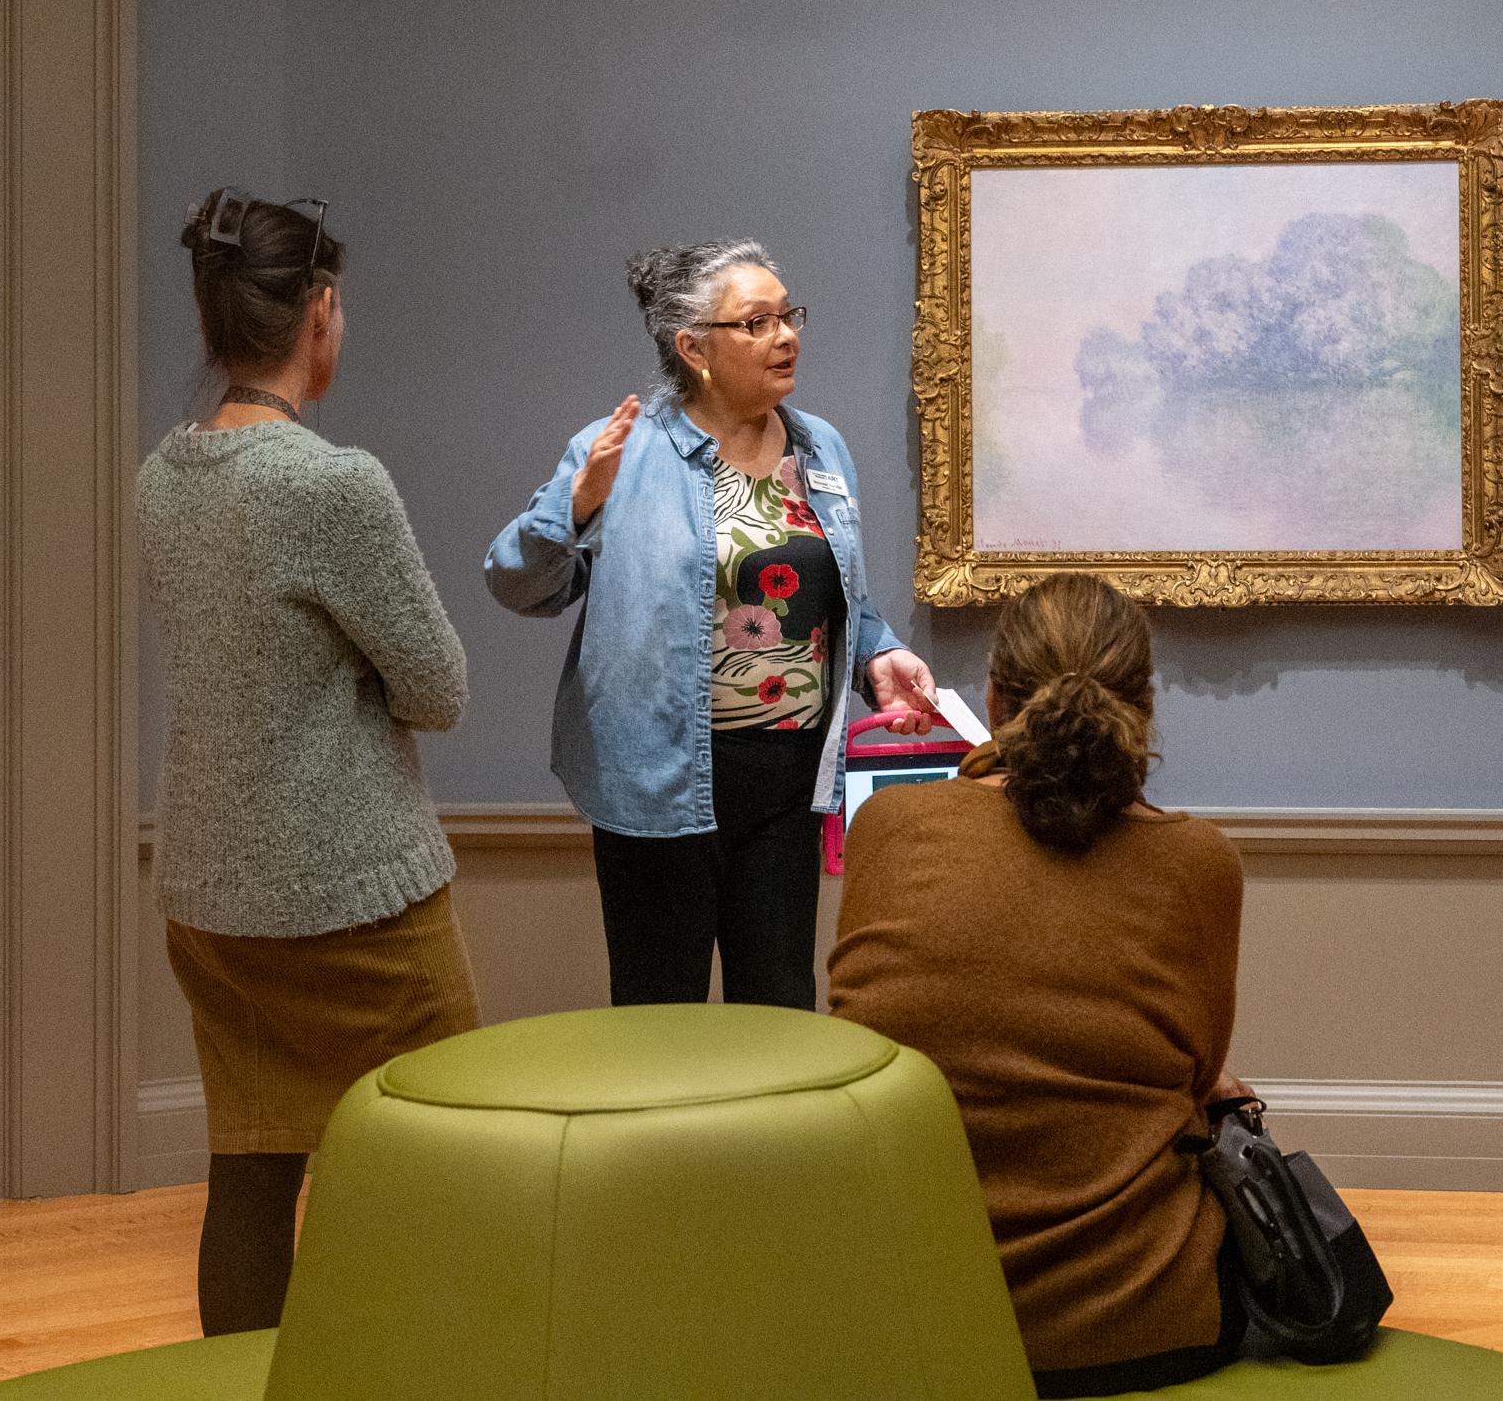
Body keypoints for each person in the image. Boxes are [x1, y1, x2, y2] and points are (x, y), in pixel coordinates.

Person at [136, 190, 477, 1336]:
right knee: (440, 1169)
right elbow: (438, 689)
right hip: (353, 903)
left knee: (252, 1171)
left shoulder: (162, 478)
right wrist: (362, 679)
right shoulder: (336, 484)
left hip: (211, 896)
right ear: (319, 311)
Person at [827, 573, 1249, 1398]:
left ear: (991, 694)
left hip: (911, 1319)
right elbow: (1197, 1083)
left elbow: (872, 1046)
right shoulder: (1200, 861)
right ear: (1145, 705)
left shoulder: (888, 828)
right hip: (1145, 1323)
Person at [484, 240, 935, 1010]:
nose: (787, 335)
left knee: (780, 1007)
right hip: (659, 782)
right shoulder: (623, 450)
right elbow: (518, 584)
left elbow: (840, 600)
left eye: (788, 315)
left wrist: (879, 655)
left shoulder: (820, 446)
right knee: (662, 1013)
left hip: (792, 783)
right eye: (757, 322)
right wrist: (580, 504)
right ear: (693, 348)